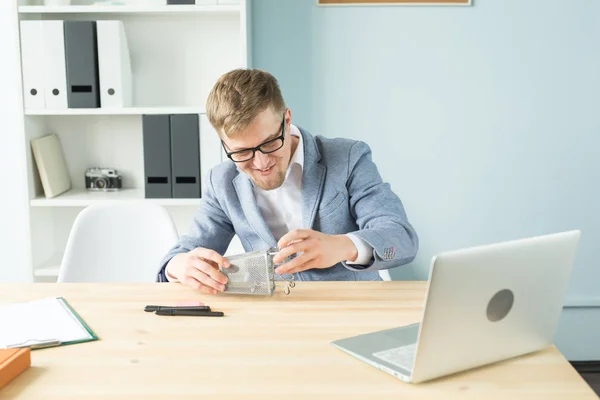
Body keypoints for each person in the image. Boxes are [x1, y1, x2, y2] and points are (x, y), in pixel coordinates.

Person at [157, 69, 418, 293]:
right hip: (274, 319)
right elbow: (185, 251)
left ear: (287, 120)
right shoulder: (222, 182)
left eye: (270, 143)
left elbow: (403, 241)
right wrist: (179, 266)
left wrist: (343, 246)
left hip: (352, 308)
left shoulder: (348, 157)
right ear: (225, 145)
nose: (261, 163)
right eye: (241, 152)